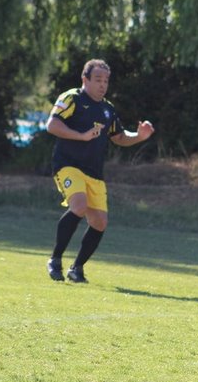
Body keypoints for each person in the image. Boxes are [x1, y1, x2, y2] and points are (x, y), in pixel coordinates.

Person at [45, 59, 155, 284]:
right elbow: (52, 125)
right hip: (68, 165)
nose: (102, 85)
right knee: (79, 206)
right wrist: (81, 136)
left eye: (106, 81)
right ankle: (55, 260)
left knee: (100, 222)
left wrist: (139, 136)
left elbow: (119, 137)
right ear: (84, 79)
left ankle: (77, 269)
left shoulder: (107, 109)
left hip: (94, 172)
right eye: (97, 80)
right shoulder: (72, 98)